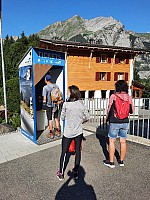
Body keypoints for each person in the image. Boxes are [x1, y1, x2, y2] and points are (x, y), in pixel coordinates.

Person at [56, 85, 90, 180]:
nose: (67, 93)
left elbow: (62, 118)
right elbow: (87, 117)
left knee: (64, 152)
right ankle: (76, 172)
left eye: (68, 91)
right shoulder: (81, 104)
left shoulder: (66, 104)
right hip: (79, 132)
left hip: (68, 132)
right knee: (78, 151)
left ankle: (61, 173)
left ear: (71, 92)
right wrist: (80, 121)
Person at [104, 80, 134, 168]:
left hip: (114, 121)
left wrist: (107, 119)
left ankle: (111, 162)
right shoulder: (129, 97)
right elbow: (132, 111)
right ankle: (121, 161)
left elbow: (109, 109)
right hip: (125, 121)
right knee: (123, 141)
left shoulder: (113, 96)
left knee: (112, 141)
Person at [42, 74, 62, 139]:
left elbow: (44, 98)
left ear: (46, 80)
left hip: (49, 105)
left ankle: (51, 133)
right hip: (56, 104)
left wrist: (44, 104)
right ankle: (58, 132)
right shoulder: (56, 85)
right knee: (56, 118)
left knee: (50, 119)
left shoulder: (45, 87)